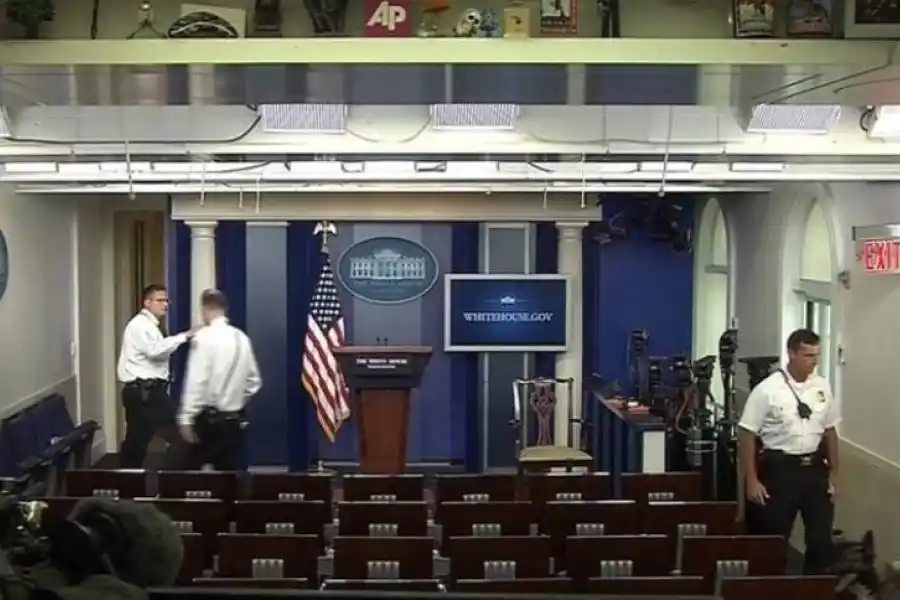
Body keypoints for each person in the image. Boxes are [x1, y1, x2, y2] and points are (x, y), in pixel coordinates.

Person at [738, 328, 841, 574]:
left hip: (814, 469)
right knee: (773, 541)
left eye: (816, 355)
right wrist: (751, 480)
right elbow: (746, 434)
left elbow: (830, 431)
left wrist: (836, 473)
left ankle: (812, 589)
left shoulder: (822, 387)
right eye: (807, 355)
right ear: (791, 354)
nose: (813, 362)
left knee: (820, 540)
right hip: (780, 470)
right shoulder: (767, 390)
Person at [177, 289, 262, 470]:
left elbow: (196, 381)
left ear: (205, 310)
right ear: (224, 309)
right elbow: (254, 381)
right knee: (230, 479)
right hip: (234, 421)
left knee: (188, 475)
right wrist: (236, 397)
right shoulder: (242, 338)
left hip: (209, 422)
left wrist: (186, 417)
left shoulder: (204, 338)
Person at [117, 283, 196, 469]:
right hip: (147, 393)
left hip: (141, 392)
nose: (165, 304)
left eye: (166, 300)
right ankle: (168, 485)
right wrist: (184, 336)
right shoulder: (140, 326)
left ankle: (127, 488)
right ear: (147, 303)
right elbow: (154, 351)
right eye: (160, 300)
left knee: (136, 444)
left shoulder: (151, 326)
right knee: (181, 437)